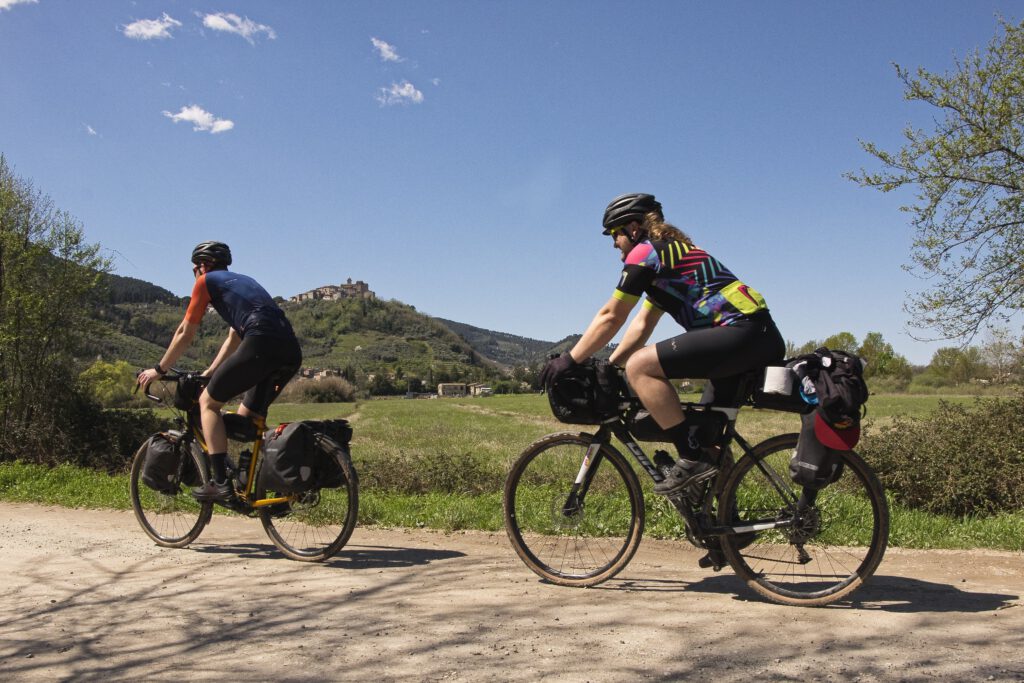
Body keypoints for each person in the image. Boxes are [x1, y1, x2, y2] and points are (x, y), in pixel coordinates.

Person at [540, 193, 784, 495]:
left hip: (742, 334)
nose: (614, 244)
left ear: (633, 228)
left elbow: (611, 316)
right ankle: (725, 523)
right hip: (754, 338)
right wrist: (609, 364)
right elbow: (641, 325)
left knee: (640, 366)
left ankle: (691, 459)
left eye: (615, 234)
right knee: (707, 434)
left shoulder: (646, 253)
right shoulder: (670, 258)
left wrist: (570, 359)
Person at [136, 241, 302, 503]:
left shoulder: (206, 282)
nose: (194, 271)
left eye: (194, 266)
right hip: (290, 350)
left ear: (203, 265)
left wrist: (159, 369)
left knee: (208, 404)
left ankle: (220, 485)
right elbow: (234, 337)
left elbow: (184, 332)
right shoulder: (243, 282)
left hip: (261, 342)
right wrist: (211, 371)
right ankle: (275, 486)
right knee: (248, 420)